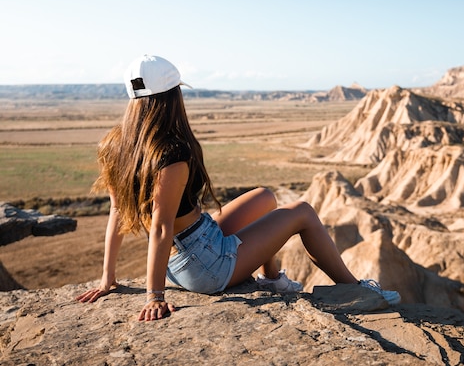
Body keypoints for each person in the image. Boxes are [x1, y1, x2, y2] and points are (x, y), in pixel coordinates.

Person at [76, 54, 400, 321]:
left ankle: (272, 280)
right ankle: (359, 289)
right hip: (203, 264)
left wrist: (108, 278)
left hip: (193, 246)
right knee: (302, 212)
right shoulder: (171, 153)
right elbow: (160, 228)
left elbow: (117, 213)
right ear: (173, 96)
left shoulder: (115, 144)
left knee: (265, 197)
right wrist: (154, 296)